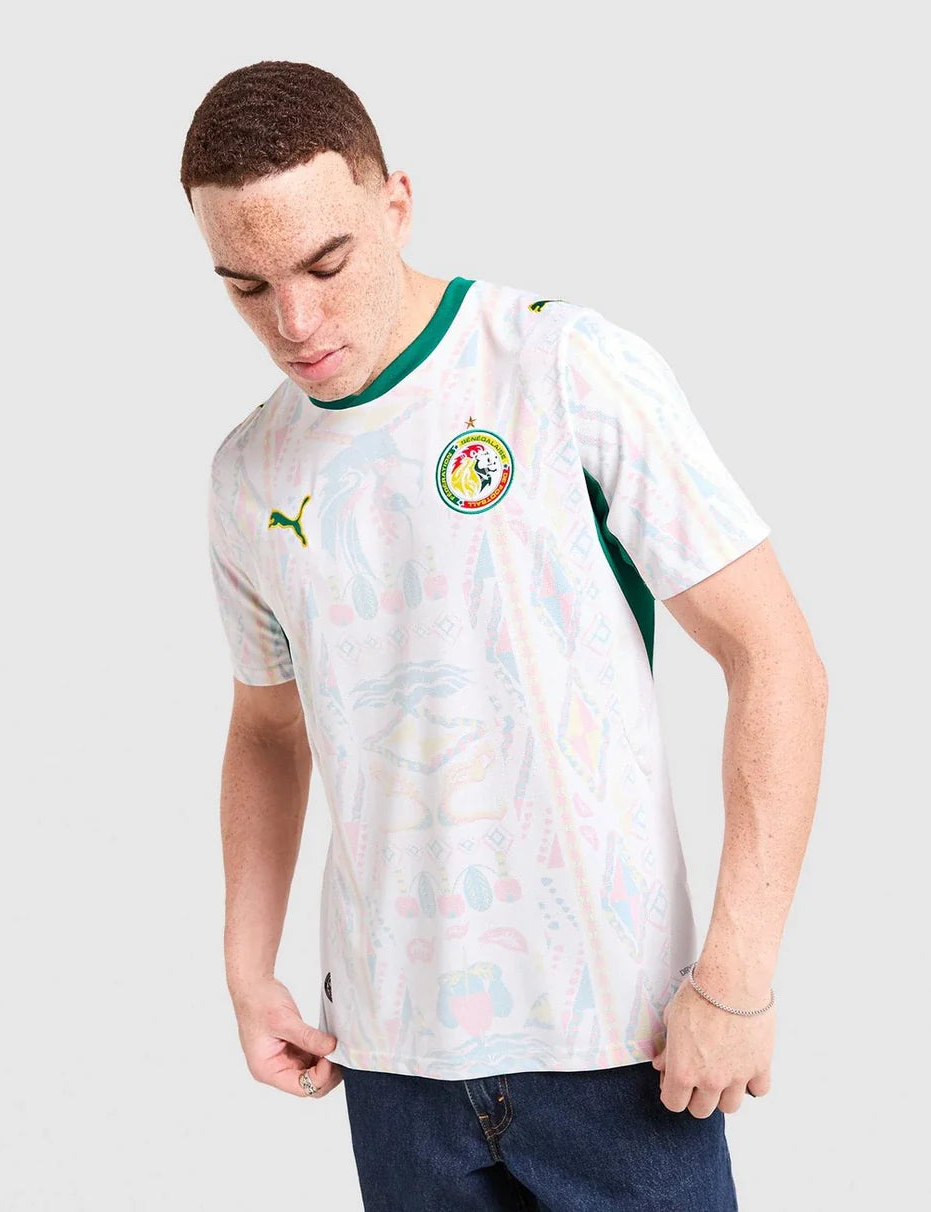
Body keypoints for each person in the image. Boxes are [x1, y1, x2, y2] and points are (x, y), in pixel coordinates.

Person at [181, 60, 828, 1212]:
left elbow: (771, 654)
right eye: (247, 286)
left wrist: (736, 974)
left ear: (395, 204)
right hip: (390, 1059)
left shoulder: (561, 366)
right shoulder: (248, 475)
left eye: (325, 265)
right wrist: (245, 968)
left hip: (621, 1043)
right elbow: (267, 731)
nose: (295, 322)